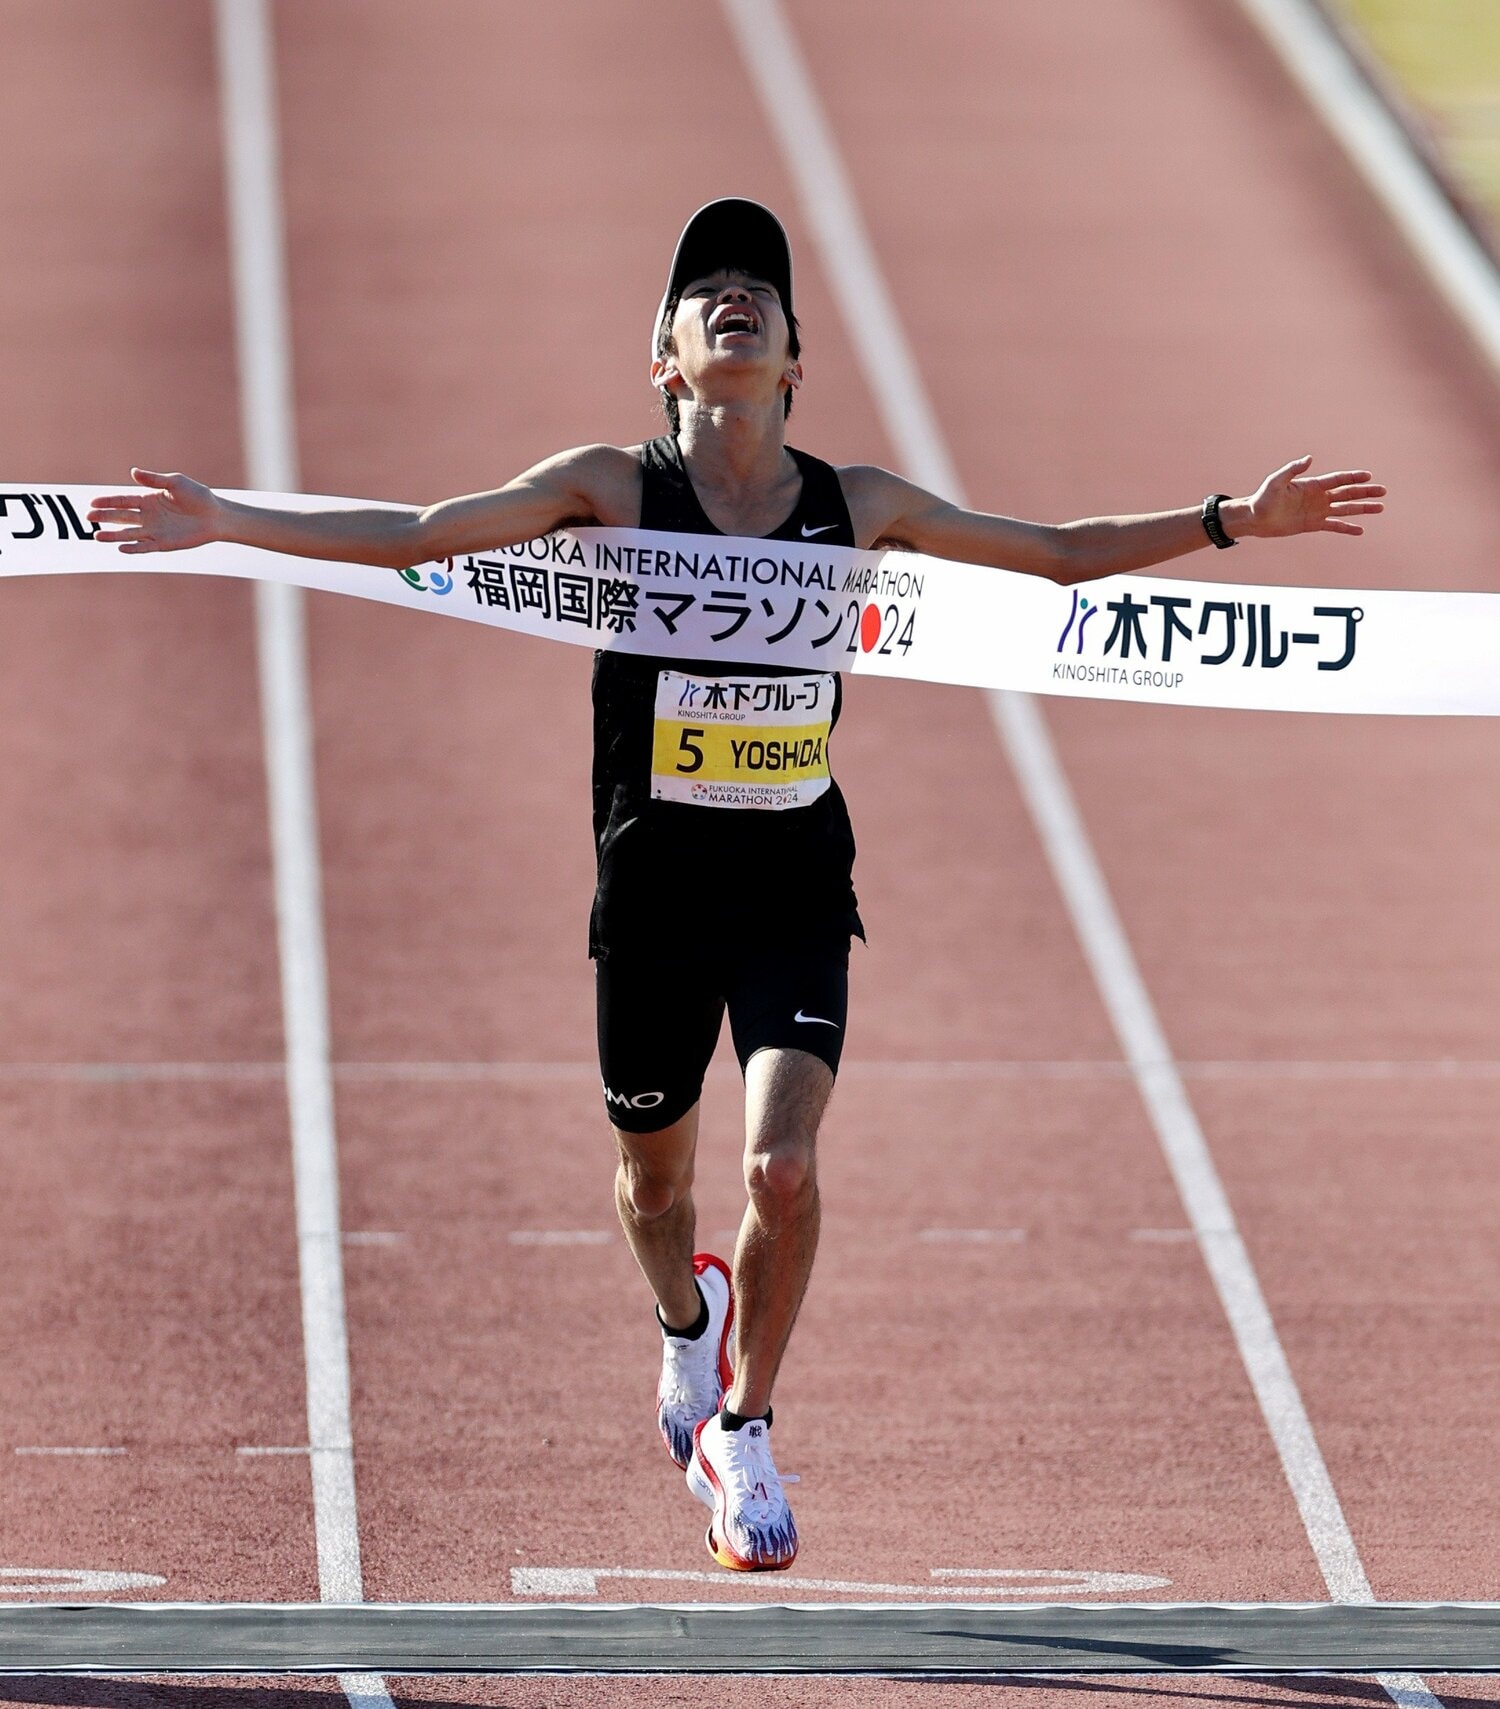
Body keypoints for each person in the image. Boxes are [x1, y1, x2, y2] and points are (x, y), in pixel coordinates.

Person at [88, 197, 1384, 1574]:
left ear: (794, 362)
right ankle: (683, 1327)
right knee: (655, 1191)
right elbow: (421, 532)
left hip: (791, 880)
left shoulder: (856, 505)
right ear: (666, 358)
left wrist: (1231, 520)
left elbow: (1056, 553)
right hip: (653, 886)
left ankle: (745, 1428)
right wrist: (226, 521)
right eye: (705, 288)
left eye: (758, 288)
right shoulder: (611, 487)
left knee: (781, 1163)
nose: (735, 296)